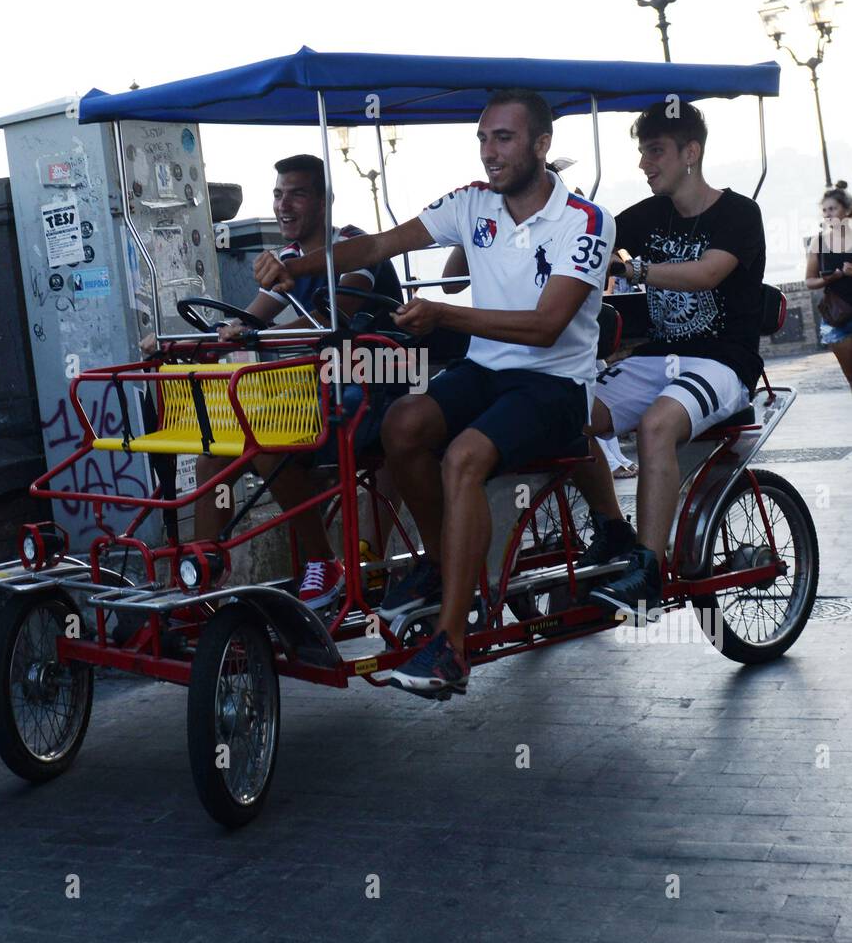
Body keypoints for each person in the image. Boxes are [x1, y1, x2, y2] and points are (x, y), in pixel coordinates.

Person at [254, 90, 615, 697]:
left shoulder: (586, 220)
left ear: (541, 145)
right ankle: (443, 563)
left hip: (556, 382)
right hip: (487, 368)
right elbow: (375, 246)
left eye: (503, 138)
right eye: (482, 138)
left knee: (463, 457)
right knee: (403, 423)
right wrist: (302, 266)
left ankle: (449, 647)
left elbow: (546, 326)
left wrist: (446, 317)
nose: (489, 152)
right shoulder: (472, 202)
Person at [570, 100, 766, 622]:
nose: (644, 163)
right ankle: (614, 528)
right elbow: (591, 238)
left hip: (724, 360)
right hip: (663, 354)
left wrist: (635, 271)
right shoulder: (646, 215)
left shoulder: (739, 214)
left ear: (691, 153)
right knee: (571, 415)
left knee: (657, 424)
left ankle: (648, 571)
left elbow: (706, 274)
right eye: (642, 152)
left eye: (654, 151)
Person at [195, 154, 403, 608]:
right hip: (323, 387)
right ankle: (201, 576)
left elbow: (335, 317)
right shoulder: (287, 258)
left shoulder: (353, 244)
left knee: (269, 442)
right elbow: (251, 319)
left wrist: (254, 334)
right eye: (277, 193)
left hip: (379, 386)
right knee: (214, 452)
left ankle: (323, 562)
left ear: (325, 201)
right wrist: (198, 342)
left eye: (297, 193)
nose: (283, 204)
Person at [804, 181, 852, 388]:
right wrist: (835, 276)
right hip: (838, 317)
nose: (827, 214)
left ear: (847, 210)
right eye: (824, 210)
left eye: (832, 208)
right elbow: (810, 281)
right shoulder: (819, 242)